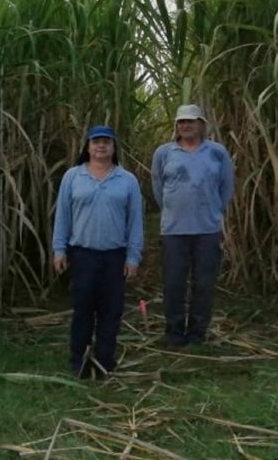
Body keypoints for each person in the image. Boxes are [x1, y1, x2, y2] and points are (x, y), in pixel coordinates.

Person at [52, 126, 143, 379]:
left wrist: (133, 256)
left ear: (114, 147)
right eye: (96, 142)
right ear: (88, 147)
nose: (101, 146)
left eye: (106, 142)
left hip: (114, 256)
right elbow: (63, 216)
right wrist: (59, 249)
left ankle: (104, 361)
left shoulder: (127, 180)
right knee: (82, 310)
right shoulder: (73, 177)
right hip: (82, 255)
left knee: (110, 311)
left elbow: (135, 221)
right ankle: (78, 360)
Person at [151, 104, 235, 347]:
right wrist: (172, 209)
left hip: (207, 230)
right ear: (176, 126)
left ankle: (198, 332)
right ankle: (174, 332)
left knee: (204, 283)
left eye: (191, 121)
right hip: (174, 231)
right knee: (174, 282)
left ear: (201, 124)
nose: (185, 126)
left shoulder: (217, 152)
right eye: (181, 122)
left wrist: (213, 211)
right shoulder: (164, 153)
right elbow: (158, 188)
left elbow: (226, 187)